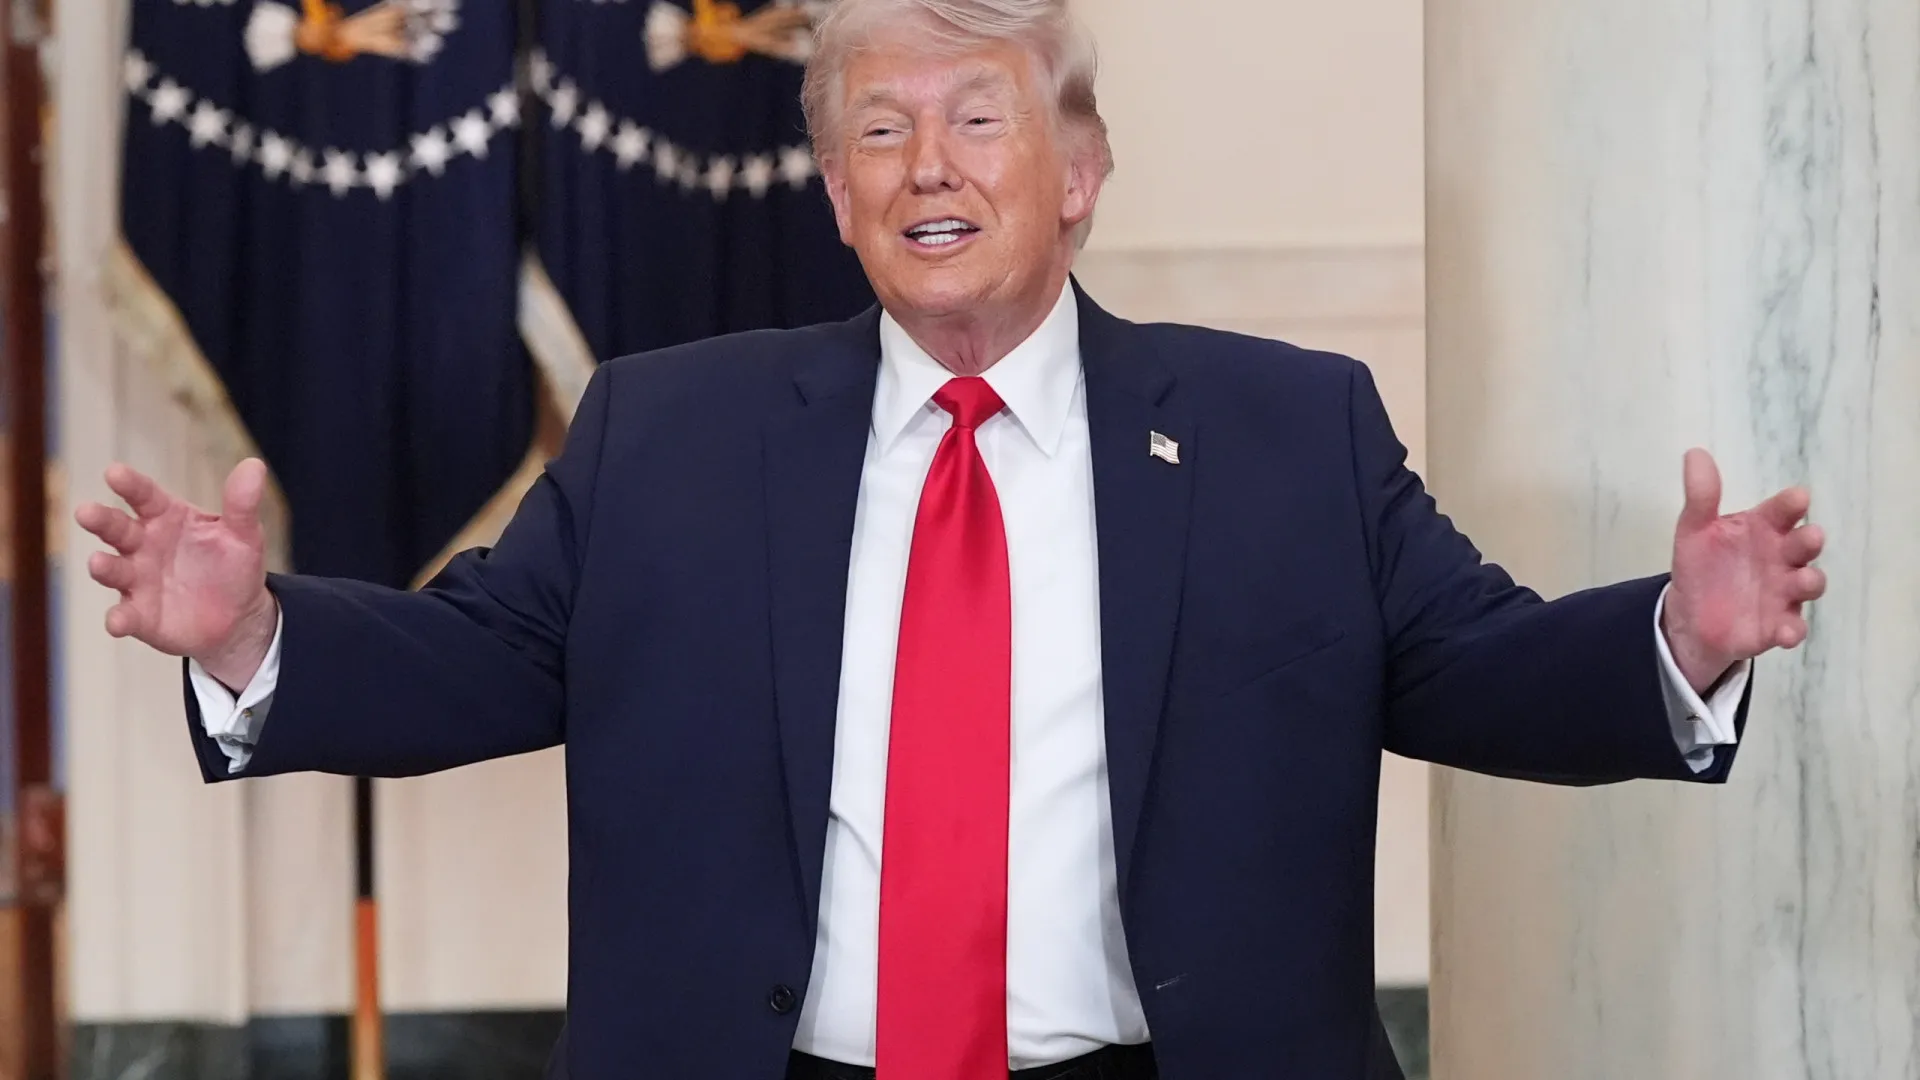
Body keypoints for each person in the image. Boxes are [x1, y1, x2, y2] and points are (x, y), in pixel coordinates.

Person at [75, 0, 1829, 1077]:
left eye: (980, 117)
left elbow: (1472, 666)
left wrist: (1675, 640)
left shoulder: (1287, 431)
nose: (931, 163)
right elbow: (481, 654)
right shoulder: (667, 433)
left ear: (1081, 172)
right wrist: (255, 635)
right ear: (837, 194)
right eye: (881, 129)